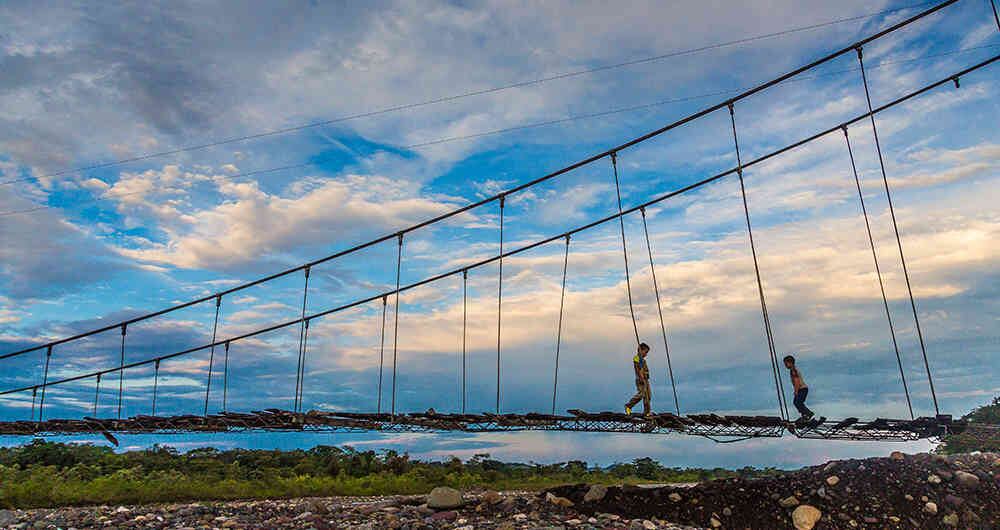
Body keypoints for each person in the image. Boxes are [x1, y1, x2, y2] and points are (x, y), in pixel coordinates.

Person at [783, 354, 814, 421]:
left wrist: (796, 391)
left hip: (802, 389)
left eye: (786, 364)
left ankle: (808, 414)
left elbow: (797, 381)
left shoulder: (793, 370)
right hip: (802, 389)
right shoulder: (793, 370)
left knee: (797, 402)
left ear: (790, 363)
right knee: (797, 402)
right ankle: (805, 415)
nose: (785, 365)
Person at [625, 342, 652, 416]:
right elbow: (638, 369)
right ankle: (628, 406)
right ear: (641, 350)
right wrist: (641, 378)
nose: (646, 354)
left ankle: (647, 412)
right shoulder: (637, 358)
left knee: (648, 396)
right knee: (641, 394)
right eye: (645, 352)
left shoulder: (643, 360)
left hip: (646, 380)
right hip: (640, 379)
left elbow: (645, 370)